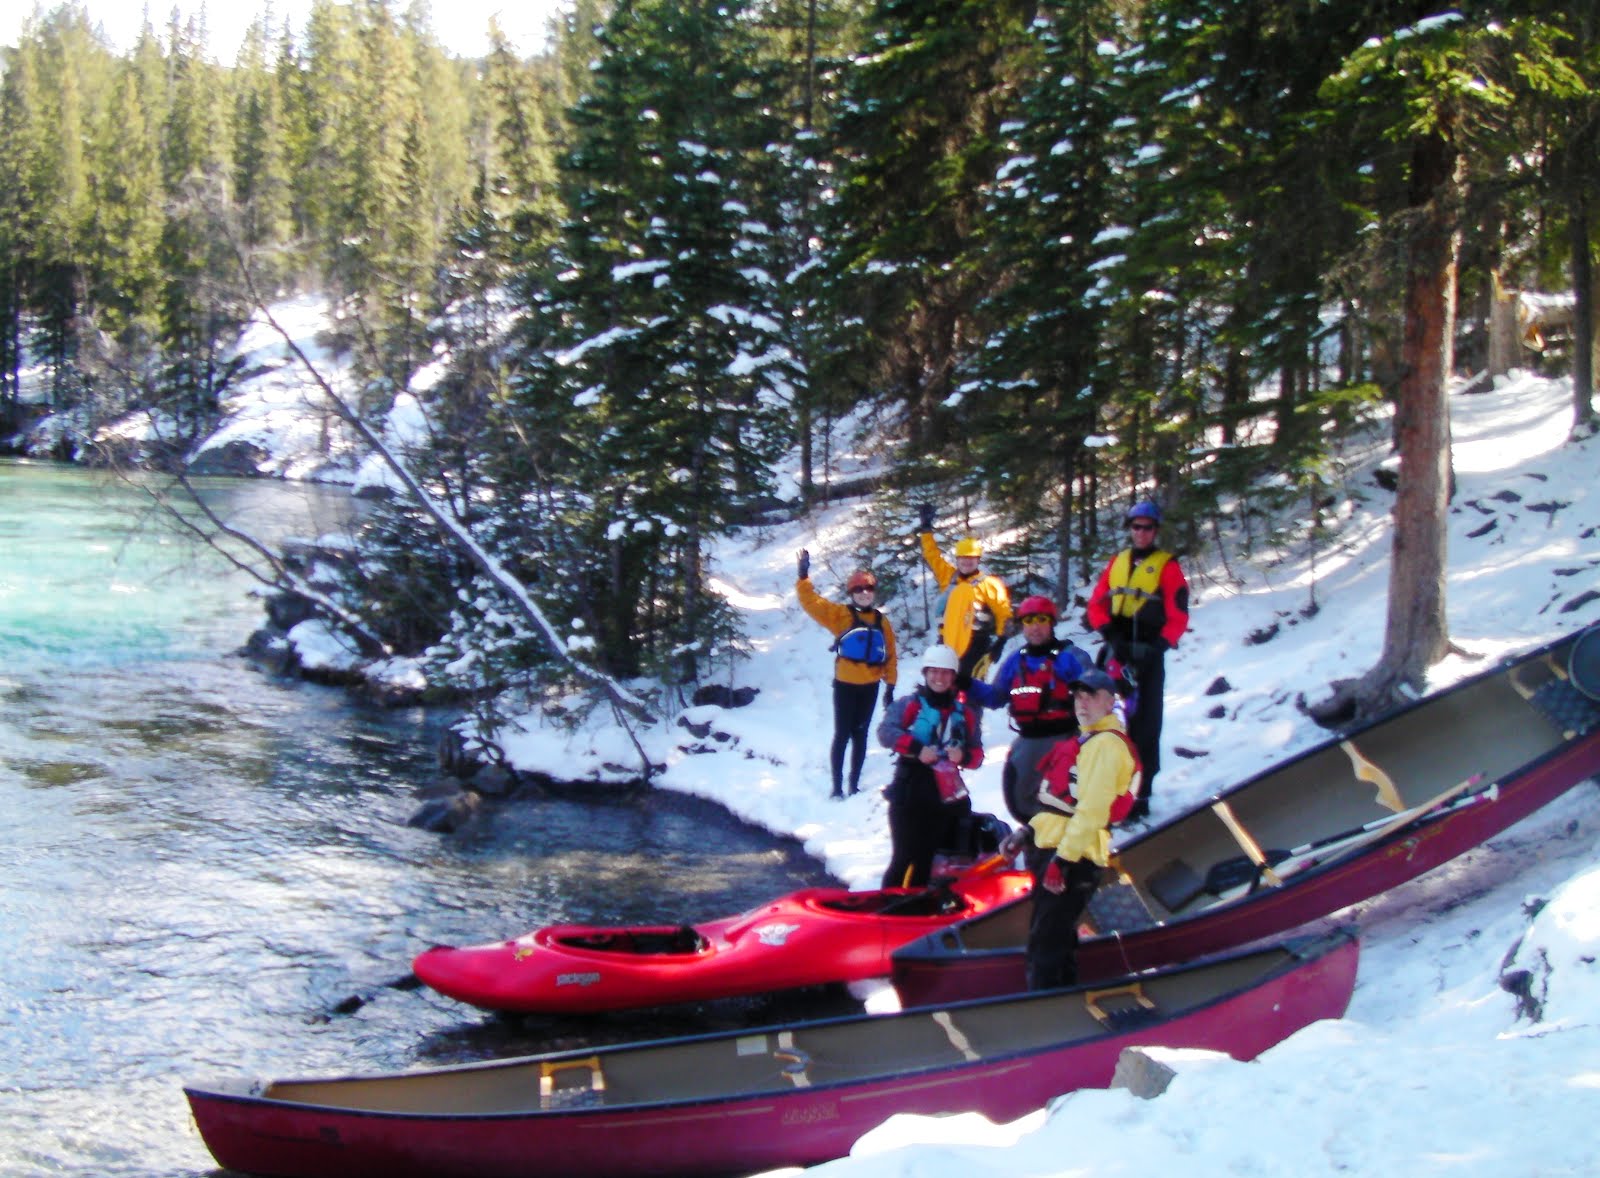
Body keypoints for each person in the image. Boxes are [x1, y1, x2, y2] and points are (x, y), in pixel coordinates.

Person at [1001, 667, 1141, 990]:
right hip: (1056, 852)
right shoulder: (1085, 743)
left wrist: (1062, 862)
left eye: (1091, 695)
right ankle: (1064, 1004)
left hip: (1071, 860)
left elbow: (1091, 812)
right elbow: (1058, 809)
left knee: (1045, 947)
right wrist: (1026, 834)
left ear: (1109, 702)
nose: (1082, 702)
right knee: (1054, 940)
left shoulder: (1107, 746)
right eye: (1078, 695)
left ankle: (1049, 1015)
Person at [1085, 500, 1189, 819]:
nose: (1141, 533)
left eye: (1147, 527)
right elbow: (1096, 605)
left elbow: (1178, 615)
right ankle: (1110, 792)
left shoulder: (1167, 567)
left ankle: (1140, 795)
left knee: (1146, 725)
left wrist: (1156, 647)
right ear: (1129, 530)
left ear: (1155, 531)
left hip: (1148, 654)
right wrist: (1111, 636)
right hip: (1117, 649)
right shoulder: (1117, 562)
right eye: (1136, 527)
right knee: (1110, 724)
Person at [962, 594, 1094, 825]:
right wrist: (966, 683)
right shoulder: (1016, 661)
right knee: (1020, 800)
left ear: (1052, 623)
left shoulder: (1071, 657)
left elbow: (1097, 694)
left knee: (1067, 795)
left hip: (1066, 738)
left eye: (1041, 619)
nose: (1035, 627)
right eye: (1028, 621)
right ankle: (1038, 837)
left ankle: (1076, 837)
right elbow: (995, 697)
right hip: (1029, 739)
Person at [878, 644, 986, 888]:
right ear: (925, 674)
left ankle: (915, 911)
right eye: (934, 672)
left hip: (942, 797)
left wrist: (963, 757)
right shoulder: (909, 705)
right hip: (909, 790)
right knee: (904, 857)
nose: (939, 678)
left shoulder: (966, 714)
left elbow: (977, 756)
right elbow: (885, 733)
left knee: (926, 860)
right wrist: (917, 749)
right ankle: (886, 912)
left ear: (953, 677)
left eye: (945, 673)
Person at [796, 549, 898, 799]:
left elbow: (891, 655)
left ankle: (854, 784)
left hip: (871, 686)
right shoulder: (841, 615)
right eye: (858, 590)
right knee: (842, 734)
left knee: (860, 734)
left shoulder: (881, 621)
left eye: (868, 589)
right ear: (851, 594)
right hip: (846, 685)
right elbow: (812, 603)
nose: (864, 594)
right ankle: (837, 786)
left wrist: (890, 686)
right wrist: (803, 577)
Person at [916, 503, 1012, 680]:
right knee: (944, 691)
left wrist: (1000, 641)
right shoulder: (948, 577)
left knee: (971, 695)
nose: (966, 562)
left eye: (971, 559)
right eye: (963, 558)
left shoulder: (990, 584)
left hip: (977, 645)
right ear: (957, 559)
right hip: (947, 643)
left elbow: (1003, 614)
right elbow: (931, 555)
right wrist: (926, 529)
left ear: (978, 560)